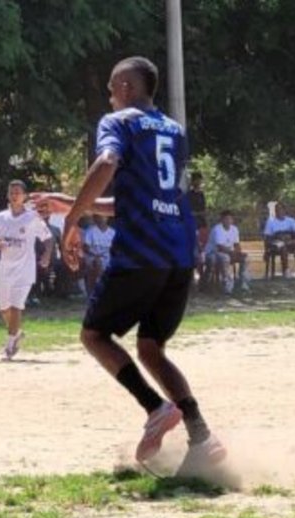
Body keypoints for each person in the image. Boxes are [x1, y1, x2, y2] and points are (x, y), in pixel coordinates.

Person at [53, 56, 226, 466]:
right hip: (179, 255)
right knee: (151, 348)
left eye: (112, 88)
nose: (110, 97)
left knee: (94, 336)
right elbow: (146, 200)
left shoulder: (119, 122)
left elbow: (107, 163)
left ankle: (156, 408)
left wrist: (73, 221)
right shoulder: (174, 131)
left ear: (127, 88)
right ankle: (202, 436)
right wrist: (69, 205)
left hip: (141, 252)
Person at [0, 180, 53, 360]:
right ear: (8, 196)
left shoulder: (32, 218)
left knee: (16, 307)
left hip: (25, 270)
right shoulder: (1, 218)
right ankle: (16, 333)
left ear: (24, 196)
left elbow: (48, 238)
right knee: (4, 310)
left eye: (18, 192)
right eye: (12, 192)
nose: (15, 195)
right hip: (5, 269)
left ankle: (9, 346)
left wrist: (47, 255)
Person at [207, 210, 250, 294]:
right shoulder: (217, 229)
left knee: (246, 258)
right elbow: (220, 247)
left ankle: (243, 284)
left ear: (232, 220)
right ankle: (227, 287)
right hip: (214, 252)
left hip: (229, 252)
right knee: (225, 258)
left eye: (230, 219)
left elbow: (237, 244)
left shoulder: (235, 229)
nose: (228, 221)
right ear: (221, 220)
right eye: (226, 219)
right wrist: (232, 253)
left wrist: (238, 253)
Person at [263, 202, 295, 278]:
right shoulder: (270, 222)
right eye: (276, 209)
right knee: (282, 245)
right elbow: (267, 237)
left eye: (280, 209)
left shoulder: (291, 221)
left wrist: (289, 237)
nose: (278, 211)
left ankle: (286, 244)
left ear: (284, 210)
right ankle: (286, 270)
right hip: (276, 242)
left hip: (290, 242)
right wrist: (266, 250)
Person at [82, 215, 115, 296]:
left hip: (108, 256)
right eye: (99, 217)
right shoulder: (90, 231)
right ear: (95, 218)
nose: (102, 218)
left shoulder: (113, 232)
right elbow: (86, 247)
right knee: (97, 262)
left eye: (103, 216)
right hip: (92, 256)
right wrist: (96, 254)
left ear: (107, 218)